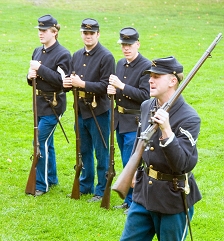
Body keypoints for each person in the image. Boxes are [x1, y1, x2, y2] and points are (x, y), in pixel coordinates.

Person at [86, 56, 202, 241]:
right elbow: (140, 143)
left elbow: (185, 163)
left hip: (174, 198)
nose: (150, 80)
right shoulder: (148, 105)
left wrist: (167, 132)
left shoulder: (188, 117)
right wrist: (134, 172)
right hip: (144, 194)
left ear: (173, 80)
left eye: (157, 76)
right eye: (150, 75)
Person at [63, 18, 115, 202]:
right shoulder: (76, 55)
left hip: (98, 110)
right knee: (83, 150)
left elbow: (104, 86)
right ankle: (85, 185)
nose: (88, 36)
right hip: (80, 110)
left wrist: (82, 84)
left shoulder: (106, 56)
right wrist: (67, 83)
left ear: (98, 34)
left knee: (101, 152)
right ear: (81, 34)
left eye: (91, 33)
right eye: (85, 33)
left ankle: (101, 190)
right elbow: (71, 79)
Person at [27, 14, 71, 196]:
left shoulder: (63, 54)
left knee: (40, 142)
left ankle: (41, 185)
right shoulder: (38, 51)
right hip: (39, 103)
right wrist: (30, 77)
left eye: (44, 31)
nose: (41, 34)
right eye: (39, 30)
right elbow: (33, 80)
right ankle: (51, 179)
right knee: (48, 143)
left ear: (54, 32)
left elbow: (63, 82)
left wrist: (39, 69)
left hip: (54, 104)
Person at [107, 27, 150, 213]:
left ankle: (135, 201)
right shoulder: (120, 63)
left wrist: (121, 86)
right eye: (123, 45)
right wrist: (112, 92)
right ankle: (129, 199)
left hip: (135, 121)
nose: (126, 48)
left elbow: (145, 96)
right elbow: (119, 93)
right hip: (120, 119)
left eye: (129, 45)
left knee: (132, 162)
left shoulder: (146, 66)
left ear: (138, 44)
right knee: (126, 162)